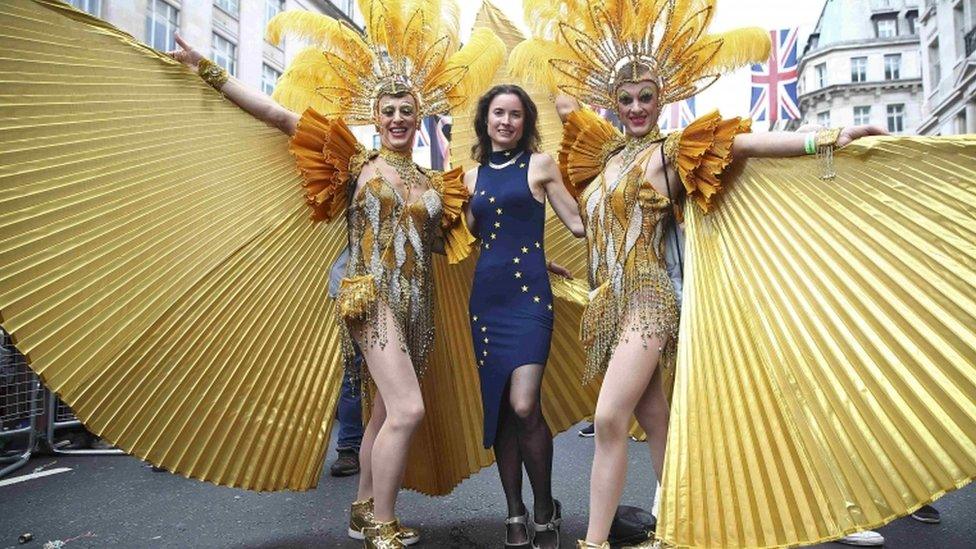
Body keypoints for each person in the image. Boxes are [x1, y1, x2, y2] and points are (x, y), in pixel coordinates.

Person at [508, 1, 976, 547]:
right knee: (656, 420)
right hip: (608, 305)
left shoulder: (671, 150)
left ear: (663, 98)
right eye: (627, 98)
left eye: (647, 97)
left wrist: (829, 137)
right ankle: (678, 531)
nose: (637, 107)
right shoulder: (604, 154)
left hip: (649, 300)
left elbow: (746, 145)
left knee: (610, 420)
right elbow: (562, 99)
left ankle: (592, 542)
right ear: (614, 102)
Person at [167, 4, 503, 546]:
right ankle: (382, 524)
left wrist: (535, 264)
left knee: (381, 412)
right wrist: (210, 69)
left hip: (416, 305)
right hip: (367, 296)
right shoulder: (355, 163)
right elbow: (281, 118)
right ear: (377, 115)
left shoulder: (439, 184)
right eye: (388, 110)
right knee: (408, 408)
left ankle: (361, 509)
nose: (397, 118)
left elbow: (470, 242)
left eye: (405, 111)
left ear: (418, 119)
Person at [463, 84, 582, 549]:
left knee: (524, 404)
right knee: (500, 413)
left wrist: (621, 184)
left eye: (515, 114)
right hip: (487, 301)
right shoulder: (468, 179)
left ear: (525, 122)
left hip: (530, 298)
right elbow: (464, 242)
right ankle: (514, 513)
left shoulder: (541, 165)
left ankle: (545, 508)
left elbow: (577, 222)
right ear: (485, 119)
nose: (506, 121)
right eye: (498, 113)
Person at [327, 248, 364, 478]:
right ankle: (349, 444)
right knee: (353, 369)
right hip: (353, 289)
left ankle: (397, 442)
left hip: (402, 285)